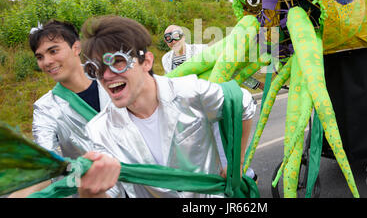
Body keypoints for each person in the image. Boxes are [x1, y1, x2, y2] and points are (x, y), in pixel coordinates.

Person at [77, 15, 256, 198]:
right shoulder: (99, 130)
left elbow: (243, 102)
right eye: (95, 69)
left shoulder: (189, 92)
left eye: (118, 61)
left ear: (146, 61)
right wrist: (89, 191)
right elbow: (111, 192)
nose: (106, 76)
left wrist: (237, 163)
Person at [9, 20, 111, 197]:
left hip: (146, 184)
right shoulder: (45, 109)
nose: (47, 62)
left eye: (53, 51)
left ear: (76, 48)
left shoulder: (113, 81)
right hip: (97, 191)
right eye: (39, 57)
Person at [161, 24, 261, 181]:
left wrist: (256, 85)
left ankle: (247, 176)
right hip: (189, 110)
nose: (173, 41)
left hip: (210, 103)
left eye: (176, 35)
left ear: (183, 35)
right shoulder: (166, 59)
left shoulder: (201, 50)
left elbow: (230, 67)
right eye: (168, 38)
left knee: (220, 143)